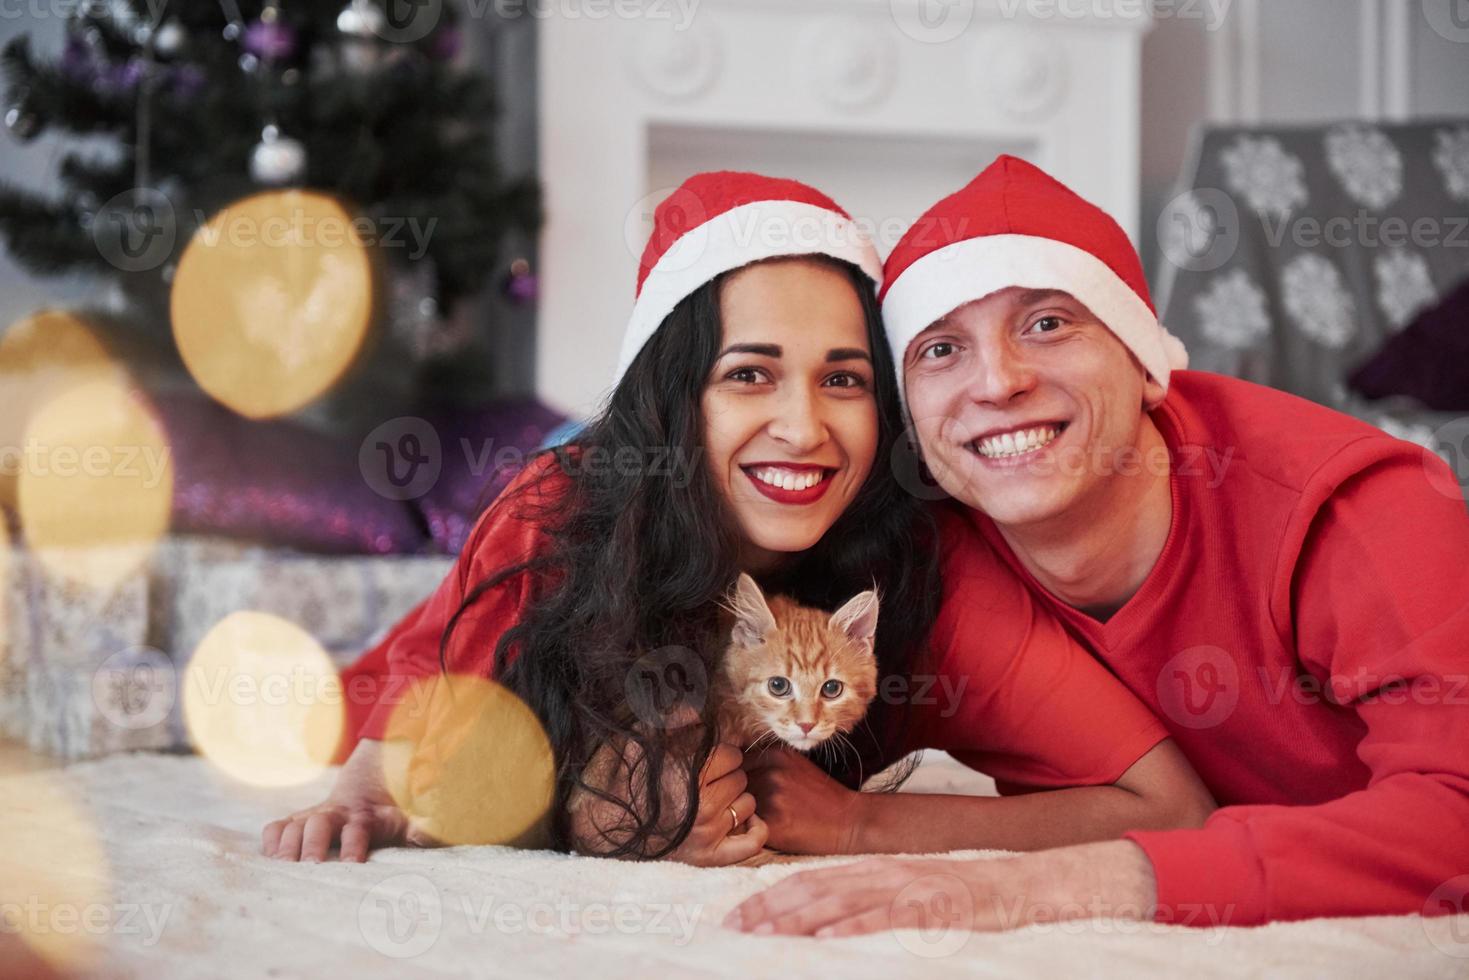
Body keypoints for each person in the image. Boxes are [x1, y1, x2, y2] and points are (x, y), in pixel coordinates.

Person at [261, 170, 1211, 867]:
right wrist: (568, 814)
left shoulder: (927, 567)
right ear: (679, 401)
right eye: (747, 373)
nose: (803, 429)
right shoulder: (563, 507)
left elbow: (1168, 805)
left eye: (843, 378)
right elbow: (417, 719)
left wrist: (863, 824)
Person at [726, 155, 1469, 936]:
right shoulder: (920, 559)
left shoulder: (1363, 509)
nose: (998, 383)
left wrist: (1057, 885)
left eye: (1046, 323)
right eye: (940, 349)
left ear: (1147, 365)